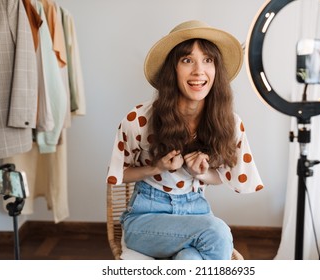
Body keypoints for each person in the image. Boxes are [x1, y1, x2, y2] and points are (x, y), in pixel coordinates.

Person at [106, 20, 264, 260]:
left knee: (189, 261)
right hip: (146, 218)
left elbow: (222, 176)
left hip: (196, 212)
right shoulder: (139, 118)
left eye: (208, 60)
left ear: (216, 70)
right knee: (218, 233)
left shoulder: (229, 123)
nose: (199, 71)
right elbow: (119, 174)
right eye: (187, 60)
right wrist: (155, 168)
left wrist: (200, 174)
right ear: (173, 69)